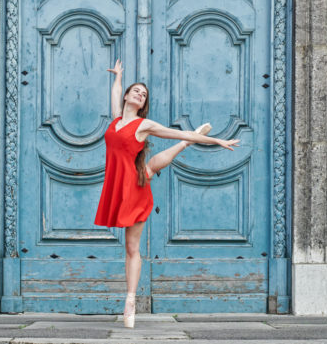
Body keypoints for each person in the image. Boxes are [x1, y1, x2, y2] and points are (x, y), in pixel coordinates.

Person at [94, 59, 240, 328]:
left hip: (134, 189)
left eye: (144, 94)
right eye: (135, 90)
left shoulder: (144, 124)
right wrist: (117, 78)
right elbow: (115, 95)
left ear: (144, 103)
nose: (140, 94)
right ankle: (185, 144)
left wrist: (217, 140)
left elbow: (174, 131)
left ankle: (130, 301)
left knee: (132, 247)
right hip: (122, 182)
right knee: (147, 168)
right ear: (127, 95)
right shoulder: (115, 120)